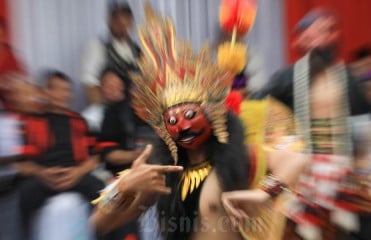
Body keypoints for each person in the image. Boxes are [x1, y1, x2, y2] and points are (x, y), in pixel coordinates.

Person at [90, 6, 308, 240]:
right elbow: (97, 226)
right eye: (173, 120)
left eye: (191, 115)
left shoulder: (237, 158)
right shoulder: (161, 176)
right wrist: (123, 188)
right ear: (163, 127)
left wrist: (265, 194)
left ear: (213, 113)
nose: (183, 126)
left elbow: (298, 161)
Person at [251, 8, 371, 240]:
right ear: (301, 41)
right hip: (302, 168)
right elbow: (254, 103)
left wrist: (363, 158)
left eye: (328, 31)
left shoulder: (347, 78)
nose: (322, 37)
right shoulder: (288, 77)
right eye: (313, 33)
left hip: (344, 167)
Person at [12, 71, 104, 236]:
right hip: (43, 177)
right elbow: (20, 163)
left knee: (105, 194)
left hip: (76, 175)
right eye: (57, 89)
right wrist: (41, 173)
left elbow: (95, 157)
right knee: (25, 195)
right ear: (45, 92)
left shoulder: (79, 121)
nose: (63, 94)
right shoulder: (31, 121)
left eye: (67, 90)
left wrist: (78, 172)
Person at [81, 1, 141, 104]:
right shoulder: (98, 47)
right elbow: (90, 84)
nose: (122, 27)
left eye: (126, 22)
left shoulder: (137, 50)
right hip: (111, 109)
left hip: (134, 109)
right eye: (118, 23)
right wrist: (102, 111)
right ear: (109, 22)